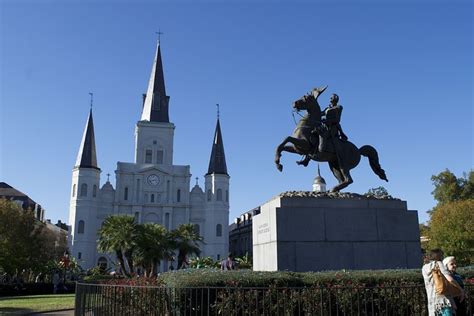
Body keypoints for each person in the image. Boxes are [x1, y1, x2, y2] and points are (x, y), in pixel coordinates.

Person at [422, 249, 455, 316]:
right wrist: (460, 289)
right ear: (438, 256)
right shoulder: (438, 263)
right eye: (442, 255)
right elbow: (450, 279)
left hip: (432, 300)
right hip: (443, 299)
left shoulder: (424, 268)